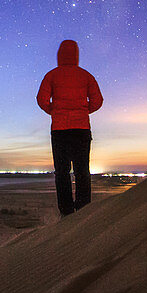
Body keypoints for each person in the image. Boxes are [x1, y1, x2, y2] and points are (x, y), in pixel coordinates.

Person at [36, 39, 103, 215]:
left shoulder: (51, 75)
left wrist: (53, 111)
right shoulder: (86, 75)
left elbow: (41, 100)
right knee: (82, 170)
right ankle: (83, 209)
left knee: (62, 172)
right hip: (81, 129)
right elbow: (98, 101)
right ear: (76, 55)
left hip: (59, 131)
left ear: (59, 55)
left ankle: (66, 210)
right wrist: (84, 111)